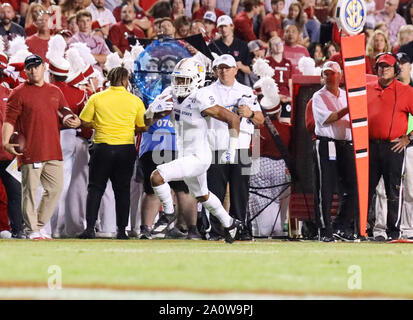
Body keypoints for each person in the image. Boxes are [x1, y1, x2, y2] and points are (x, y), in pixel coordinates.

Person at [145, 57, 243, 243]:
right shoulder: (171, 94)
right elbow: (146, 124)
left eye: (185, 80)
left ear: (196, 79)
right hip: (185, 154)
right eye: (178, 79)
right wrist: (150, 111)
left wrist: (232, 148)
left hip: (198, 157)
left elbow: (233, 119)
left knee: (157, 177)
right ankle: (230, 224)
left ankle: (168, 213)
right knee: (203, 195)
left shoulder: (201, 97)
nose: (180, 84)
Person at [2, 54, 80, 240]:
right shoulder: (18, 92)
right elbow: (9, 120)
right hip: (30, 149)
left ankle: (35, 226)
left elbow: (64, 111)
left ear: (44, 67)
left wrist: (74, 120)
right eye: (29, 67)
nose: (33, 70)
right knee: (29, 191)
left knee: (55, 189)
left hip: (53, 149)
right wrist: (5, 142)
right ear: (26, 71)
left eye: (36, 66)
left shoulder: (55, 91)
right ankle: (32, 231)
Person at [77, 66, 145, 240]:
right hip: (125, 149)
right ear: (124, 81)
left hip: (102, 148)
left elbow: (84, 122)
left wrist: (99, 125)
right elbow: (142, 126)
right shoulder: (135, 100)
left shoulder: (96, 98)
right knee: (122, 190)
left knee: (95, 188)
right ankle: (121, 230)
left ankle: (90, 228)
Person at [204, 54, 264, 240]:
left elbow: (261, 121)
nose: (223, 71)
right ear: (215, 70)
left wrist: (251, 113)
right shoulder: (207, 91)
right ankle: (214, 231)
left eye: (227, 67)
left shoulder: (246, 90)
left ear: (236, 70)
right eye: (220, 67)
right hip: (217, 145)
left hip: (241, 146)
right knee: (215, 192)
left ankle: (239, 229)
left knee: (240, 191)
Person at [366, 52, 413, 241]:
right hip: (369, 146)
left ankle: (393, 232)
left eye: (387, 66)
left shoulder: (406, 91)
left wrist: (408, 138)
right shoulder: (368, 88)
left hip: (393, 147)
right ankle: (365, 229)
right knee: (366, 190)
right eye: (380, 66)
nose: (383, 69)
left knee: (393, 190)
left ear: (396, 70)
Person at [311, 61, 358, 242]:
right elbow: (328, 118)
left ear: (340, 76)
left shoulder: (347, 95)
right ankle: (324, 229)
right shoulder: (318, 96)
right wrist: (349, 109)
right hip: (326, 143)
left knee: (352, 188)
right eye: (326, 74)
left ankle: (341, 225)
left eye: (332, 74)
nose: (329, 77)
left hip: (345, 144)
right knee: (325, 188)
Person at [208, 15, 252, 85]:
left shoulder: (242, 45)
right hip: (219, 84)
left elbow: (249, 70)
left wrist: (241, 66)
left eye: (225, 26)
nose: (223, 29)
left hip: (239, 83)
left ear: (232, 26)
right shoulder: (212, 46)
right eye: (221, 27)